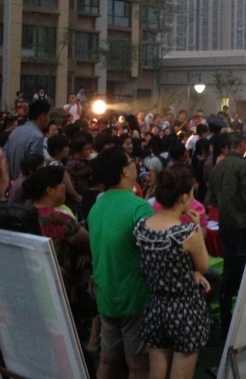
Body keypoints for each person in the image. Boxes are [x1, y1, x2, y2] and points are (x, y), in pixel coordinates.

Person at [134, 169, 210, 379]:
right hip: (185, 309)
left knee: (156, 373)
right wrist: (196, 228)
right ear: (184, 197)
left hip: (156, 306)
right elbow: (204, 266)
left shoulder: (142, 226)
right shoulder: (186, 233)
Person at [88, 147, 153, 379]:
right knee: (138, 364)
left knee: (109, 360)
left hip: (106, 291)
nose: (136, 164)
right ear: (125, 171)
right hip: (134, 295)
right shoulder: (139, 207)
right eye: (131, 161)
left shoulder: (97, 206)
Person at [23, 165, 93, 322]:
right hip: (63, 287)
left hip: (34, 284)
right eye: (61, 183)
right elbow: (89, 243)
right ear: (50, 190)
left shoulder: (25, 214)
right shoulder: (59, 219)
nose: (65, 187)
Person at [208, 131, 246, 333]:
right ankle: (245, 322)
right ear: (240, 144)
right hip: (244, 225)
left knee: (229, 272)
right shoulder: (243, 165)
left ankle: (226, 320)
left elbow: (212, 200)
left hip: (226, 225)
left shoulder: (217, 168)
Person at [2, 100, 51, 189]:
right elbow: (34, 166)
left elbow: (4, 158)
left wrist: (7, 181)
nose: (49, 119)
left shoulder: (15, 132)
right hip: (27, 186)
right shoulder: (37, 136)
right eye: (48, 116)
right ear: (42, 117)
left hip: (13, 184)